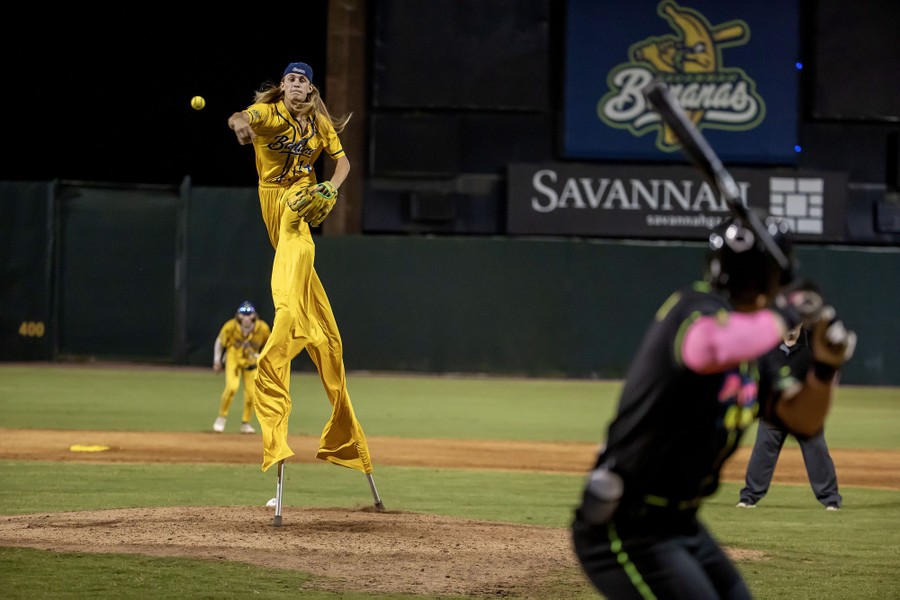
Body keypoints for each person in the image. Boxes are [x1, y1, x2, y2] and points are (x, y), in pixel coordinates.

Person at [571, 216, 856, 599]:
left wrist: (825, 368)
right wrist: (789, 313)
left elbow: (801, 419)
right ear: (774, 276)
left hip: (681, 523)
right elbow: (709, 349)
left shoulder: (758, 351)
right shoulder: (692, 309)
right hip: (628, 524)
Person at [226, 62, 375, 478]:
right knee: (307, 288)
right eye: (290, 79)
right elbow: (242, 116)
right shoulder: (269, 115)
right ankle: (302, 323)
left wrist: (331, 187)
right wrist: (239, 125)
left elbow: (343, 165)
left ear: (310, 89)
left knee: (298, 227)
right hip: (270, 197)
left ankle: (289, 325)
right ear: (282, 86)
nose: (295, 84)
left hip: (298, 197)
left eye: (302, 79)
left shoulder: (318, 123)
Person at [737, 323, 842, 510]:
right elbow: (754, 372)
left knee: (817, 451)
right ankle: (748, 498)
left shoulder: (812, 342)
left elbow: (829, 370)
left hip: (804, 411)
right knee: (762, 451)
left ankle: (831, 500)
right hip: (774, 409)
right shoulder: (768, 342)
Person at [212, 301, 271, 434]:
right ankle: (221, 418)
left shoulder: (262, 328)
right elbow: (219, 342)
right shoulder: (231, 326)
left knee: (252, 394)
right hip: (233, 358)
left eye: (248, 314)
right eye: (243, 314)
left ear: (254, 315)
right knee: (231, 387)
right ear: (238, 315)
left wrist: (263, 358)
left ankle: (246, 423)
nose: (245, 317)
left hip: (251, 362)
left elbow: (269, 345)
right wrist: (217, 360)